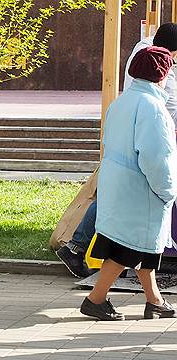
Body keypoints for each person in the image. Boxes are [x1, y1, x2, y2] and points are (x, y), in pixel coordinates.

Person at [58, 23, 177, 277]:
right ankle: (79, 251)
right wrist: (167, 191)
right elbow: (155, 156)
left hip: (124, 158)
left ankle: (86, 262)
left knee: (115, 207)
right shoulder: (153, 94)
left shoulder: (130, 94)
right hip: (135, 160)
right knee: (123, 219)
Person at [81, 46, 177, 321]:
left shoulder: (122, 102)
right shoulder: (153, 108)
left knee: (137, 245)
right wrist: (167, 190)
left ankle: (154, 300)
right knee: (129, 248)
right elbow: (156, 157)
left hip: (118, 183)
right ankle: (95, 299)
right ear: (162, 74)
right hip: (140, 188)